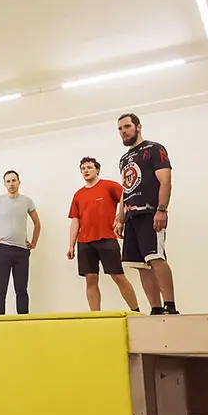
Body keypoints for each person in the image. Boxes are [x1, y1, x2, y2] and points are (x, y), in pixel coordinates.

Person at [114, 113, 179, 315]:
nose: (124, 131)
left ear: (138, 127)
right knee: (140, 264)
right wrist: (120, 217)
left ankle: (170, 306)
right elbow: (126, 189)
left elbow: (165, 181)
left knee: (155, 257)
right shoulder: (124, 159)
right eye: (120, 129)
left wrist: (161, 210)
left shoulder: (154, 149)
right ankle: (156, 308)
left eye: (127, 126)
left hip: (150, 213)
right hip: (131, 216)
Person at [67, 157, 140, 312]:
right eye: (83, 168)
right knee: (90, 279)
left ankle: (136, 311)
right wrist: (71, 245)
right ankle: (95, 316)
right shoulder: (78, 195)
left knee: (118, 276)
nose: (86, 170)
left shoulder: (109, 186)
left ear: (97, 170)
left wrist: (120, 217)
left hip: (106, 238)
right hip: (85, 242)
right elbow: (75, 220)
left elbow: (126, 196)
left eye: (89, 167)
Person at [0, 170, 41, 315]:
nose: (11, 184)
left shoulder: (27, 201)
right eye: (8, 181)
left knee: (21, 289)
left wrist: (33, 242)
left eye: (14, 180)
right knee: (0, 289)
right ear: (4, 184)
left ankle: (23, 321)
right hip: (2, 249)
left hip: (21, 251)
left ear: (19, 182)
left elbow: (37, 223)